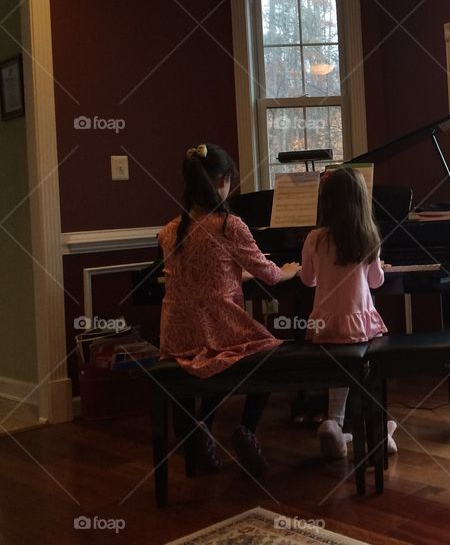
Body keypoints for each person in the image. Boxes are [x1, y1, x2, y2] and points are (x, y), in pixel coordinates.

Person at [158, 143, 300, 477]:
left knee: (216, 363)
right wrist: (291, 270)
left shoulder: (168, 232)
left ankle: (197, 432)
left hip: (175, 335)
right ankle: (245, 429)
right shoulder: (229, 225)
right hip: (216, 329)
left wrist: (235, 273)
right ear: (222, 180)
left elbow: (201, 273)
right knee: (264, 354)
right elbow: (270, 274)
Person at [299, 167, 397, 459]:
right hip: (361, 324)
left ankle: (334, 423)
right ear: (361, 201)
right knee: (367, 369)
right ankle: (378, 428)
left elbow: (307, 279)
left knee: (338, 370)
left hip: (325, 325)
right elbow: (375, 281)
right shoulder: (368, 236)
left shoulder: (315, 238)